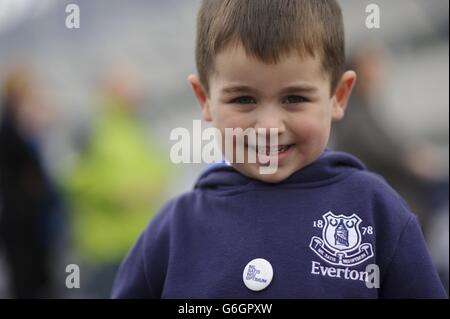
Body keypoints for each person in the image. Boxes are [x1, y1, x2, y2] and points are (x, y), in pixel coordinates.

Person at [111, 0, 446, 298]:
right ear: (205, 100)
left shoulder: (376, 210)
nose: (270, 127)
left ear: (338, 97)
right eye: (243, 99)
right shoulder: (171, 231)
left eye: (294, 98)